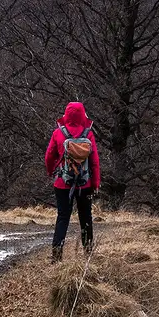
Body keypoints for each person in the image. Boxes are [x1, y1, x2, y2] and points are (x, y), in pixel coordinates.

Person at [44, 102, 100, 261]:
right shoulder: (88, 134)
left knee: (63, 217)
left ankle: (56, 256)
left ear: (66, 115)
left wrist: (51, 172)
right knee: (86, 217)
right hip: (85, 184)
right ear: (83, 115)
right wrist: (95, 183)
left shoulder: (58, 133)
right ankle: (88, 254)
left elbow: (49, 156)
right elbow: (94, 161)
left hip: (63, 183)